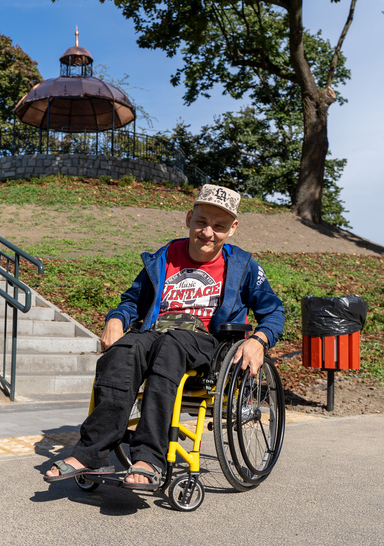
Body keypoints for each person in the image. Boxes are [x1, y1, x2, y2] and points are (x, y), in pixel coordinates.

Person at [44, 184, 285, 490]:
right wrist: (117, 319)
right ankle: (91, 452)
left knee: (171, 346)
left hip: (205, 341)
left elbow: (273, 312)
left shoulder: (243, 266)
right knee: (125, 349)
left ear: (233, 229)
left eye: (219, 226)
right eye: (201, 222)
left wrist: (259, 340)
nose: (208, 232)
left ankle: (149, 458)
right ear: (188, 218)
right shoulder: (164, 257)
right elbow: (132, 300)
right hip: (155, 333)